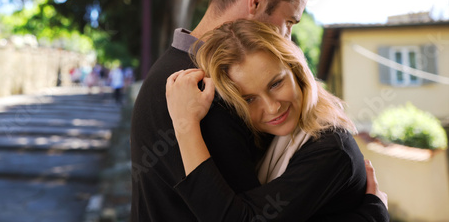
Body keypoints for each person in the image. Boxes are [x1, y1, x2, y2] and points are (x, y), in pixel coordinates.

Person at [130, 0, 388, 220]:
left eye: (276, 83)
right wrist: (371, 214)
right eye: (289, 21)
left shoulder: (169, 71)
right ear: (256, 1)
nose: (287, 38)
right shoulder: (204, 94)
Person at [166, 19, 388, 221]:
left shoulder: (331, 149)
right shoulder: (269, 137)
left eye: (276, 84)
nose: (272, 107)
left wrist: (185, 124)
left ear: (296, 70)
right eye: (249, 99)